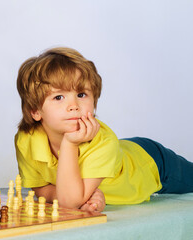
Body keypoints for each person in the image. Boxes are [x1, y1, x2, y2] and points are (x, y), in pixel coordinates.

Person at [14, 47, 193, 211]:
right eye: (59, 97)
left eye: (81, 94)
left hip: (153, 163)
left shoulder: (104, 142)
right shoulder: (27, 139)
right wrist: (77, 195)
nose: (73, 105)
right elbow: (40, 189)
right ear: (35, 111)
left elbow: (69, 203)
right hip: (123, 152)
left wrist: (70, 144)